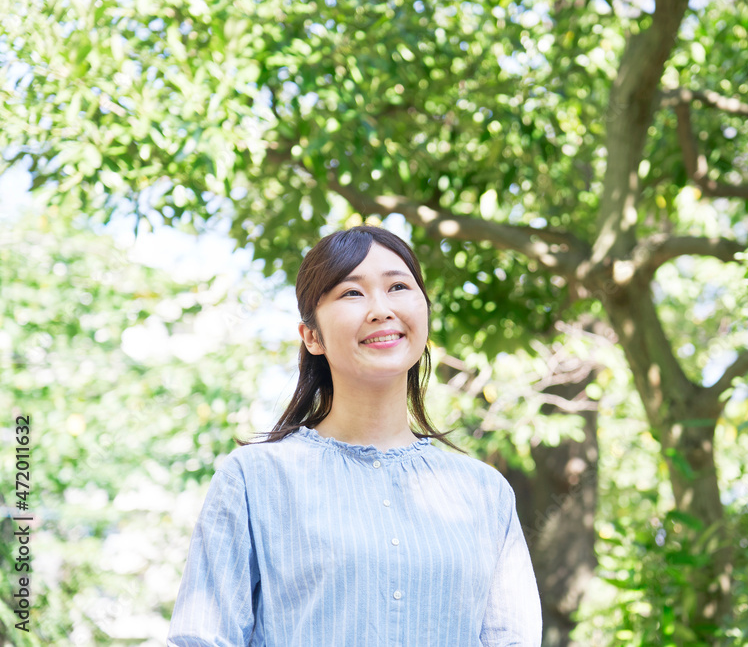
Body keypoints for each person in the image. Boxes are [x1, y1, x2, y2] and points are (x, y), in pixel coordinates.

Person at [167, 225, 543, 645]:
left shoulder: (483, 492)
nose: (381, 309)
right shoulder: (255, 479)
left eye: (398, 286)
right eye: (352, 293)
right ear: (312, 336)